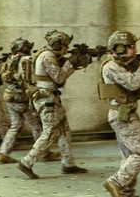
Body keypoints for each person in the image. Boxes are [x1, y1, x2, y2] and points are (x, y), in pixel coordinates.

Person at [99, 31, 140, 197]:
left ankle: (126, 194)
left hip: (125, 113)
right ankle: (116, 183)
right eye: (132, 46)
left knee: (128, 156)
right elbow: (133, 83)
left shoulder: (125, 64)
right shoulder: (111, 66)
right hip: (123, 115)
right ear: (120, 48)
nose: (135, 49)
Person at [16, 30, 89, 179]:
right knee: (49, 133)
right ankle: (26, 162)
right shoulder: (47, 56)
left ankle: (68, 164)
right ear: (56, 44)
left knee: (64, 130)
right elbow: (59, 78)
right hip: (47, 99)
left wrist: (69, 61)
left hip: (51, 98)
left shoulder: (49, 55)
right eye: (64, 46)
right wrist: (71, 63)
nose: (66, 49)